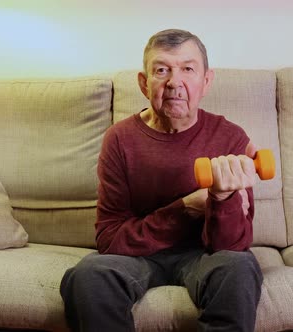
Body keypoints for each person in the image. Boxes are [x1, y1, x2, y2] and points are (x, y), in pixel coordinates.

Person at [60, 29, 263, 332]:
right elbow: (109, 239)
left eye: (188, 69)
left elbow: (232, 245)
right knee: (88, 274)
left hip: (203, 256)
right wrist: (184, 207)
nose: (174, 83)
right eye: (162, 70)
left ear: (206, 81)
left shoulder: (230, 137)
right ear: (144, 83)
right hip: (139, 258)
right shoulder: (120, 139)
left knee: (239, 267)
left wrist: (222, 200)